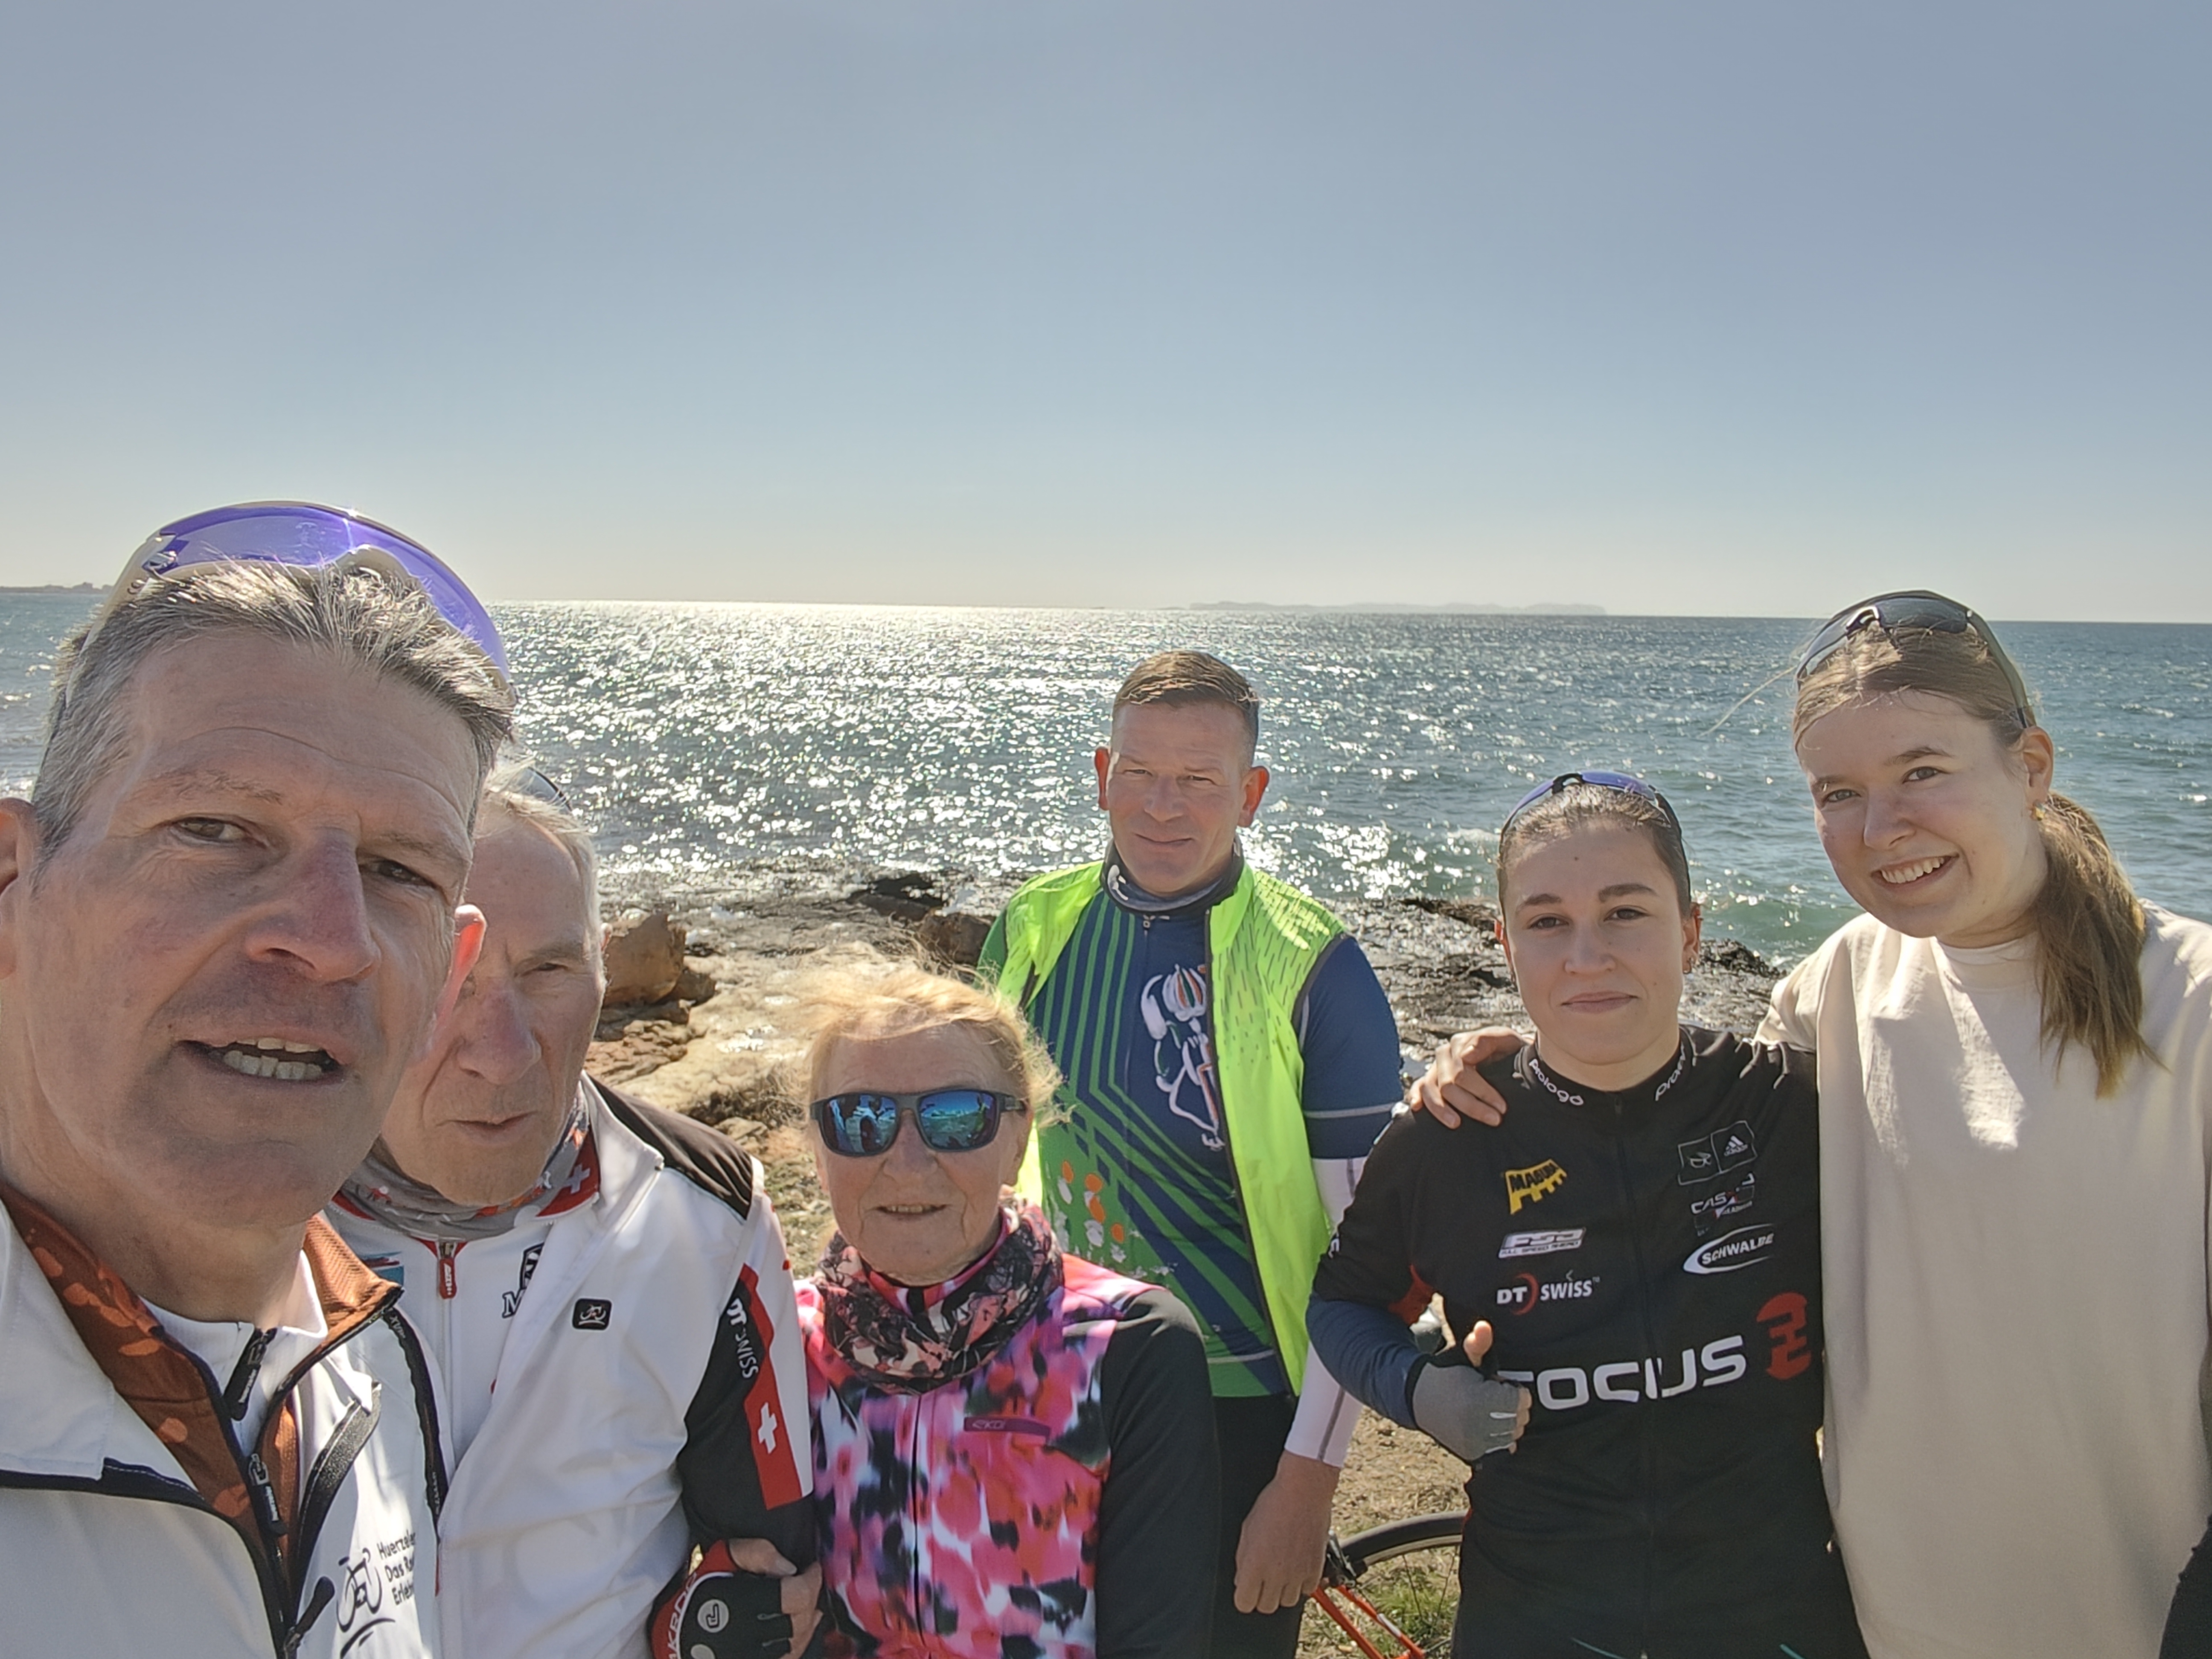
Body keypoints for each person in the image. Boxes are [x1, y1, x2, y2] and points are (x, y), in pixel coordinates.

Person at [1413, 593, 2212, 1659]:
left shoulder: (2191, 1003)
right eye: (1840, 793)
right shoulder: (1841, 984)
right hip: (1882, 1617)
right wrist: (1517, 1061)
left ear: (2031, 765)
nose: (1882, 830)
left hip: (2143, 1612)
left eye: (1922, 771)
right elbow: (1671, 1122)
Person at [0, 503, 512, 1656]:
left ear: (447, 977)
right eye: (216, 828)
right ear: (14, 886)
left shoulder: (379, 1361)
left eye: (397, 871)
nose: (331, 939)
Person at [1309, 772, 1862, 1658]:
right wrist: (1417, 1390)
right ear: (1505, 944)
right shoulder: (1446, 1139)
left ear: (1691, 930)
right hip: (1535, 1613)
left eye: (1625, 912)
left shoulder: (1796, 1111)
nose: (1587, 956)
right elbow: (1343, 1302)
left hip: (1775, 1610)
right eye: (1546, 922)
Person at [326, 777, 819, 1659]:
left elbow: (769, 1572)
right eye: (450, 976)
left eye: (548, 972)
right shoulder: (238, 1207)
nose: (503, 1052)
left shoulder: (703, 1213)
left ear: (602, 970)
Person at [975, 649, 1406, 1656]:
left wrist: (1308, 1482)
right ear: (1102, 776)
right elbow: (979, 1164)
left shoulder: (1316, 968)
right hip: (1060, 1379)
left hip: (1243, 1414)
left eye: (1201, 780)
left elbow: (1368, 1261)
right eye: (1140, 773)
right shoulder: (1033, 928)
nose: (1163, 807)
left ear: (1251, 794)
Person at [658, 960, 1218, 1656]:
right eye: (861, 1120)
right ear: (819, 1151)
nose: (908, 1161)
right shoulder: (769, 1351)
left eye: (956, 1119)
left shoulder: (1125, 1347)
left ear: (1019, 1139)